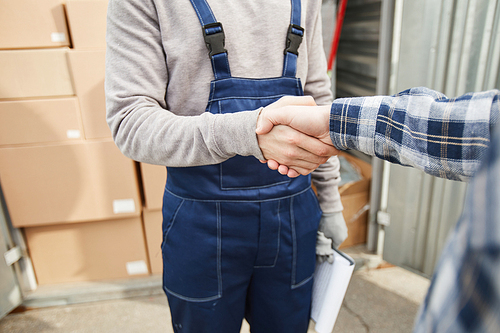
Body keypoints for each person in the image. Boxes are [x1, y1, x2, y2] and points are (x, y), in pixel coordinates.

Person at [105, 1, 346, 332]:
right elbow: (130, 123)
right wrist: (249, 133)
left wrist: (331, 201)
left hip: (293, 217)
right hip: (202, 222)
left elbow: (317, 98)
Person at [256, 86, 500, 332]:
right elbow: (473, 127)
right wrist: (332, 121)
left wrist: (330, 204)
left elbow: (317, 88)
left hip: (291, 214)